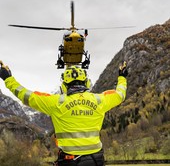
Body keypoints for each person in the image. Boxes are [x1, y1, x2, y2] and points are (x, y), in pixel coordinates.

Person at [0, 60, 128, 166]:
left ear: (64, 85)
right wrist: (122, 77)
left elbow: (25, 96)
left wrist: (7, 78)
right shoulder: (100, 100)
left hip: (70, 160)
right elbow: (120, 94)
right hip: (96, 160)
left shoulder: (56, 102)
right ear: (86, 82)